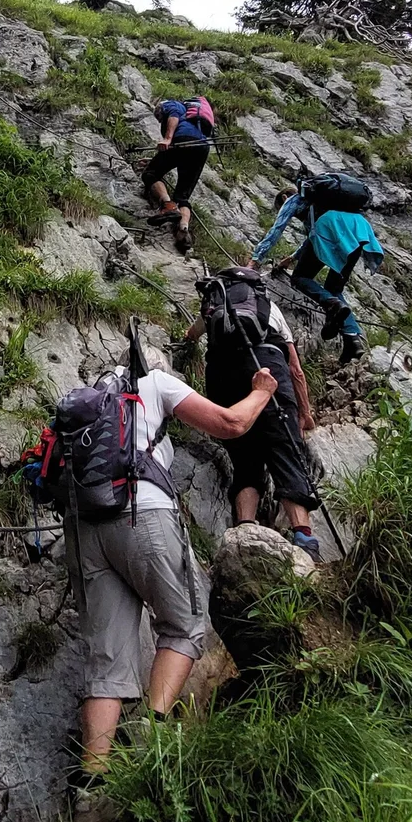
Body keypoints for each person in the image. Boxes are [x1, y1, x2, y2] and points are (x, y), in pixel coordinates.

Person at [73, 356, 280, 785]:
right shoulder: (156, 384)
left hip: (84, 529)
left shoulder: (83, 411)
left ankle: (92, 785)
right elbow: (230, 423)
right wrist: (261, 390)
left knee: (107, 656)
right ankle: (153, 737)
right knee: (185, 625)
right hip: (141, 514)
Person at [182, 275, 324, 555]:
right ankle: (305, 541)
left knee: (244, 459)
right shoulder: (268, 308)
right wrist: (305, 412)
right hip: (266, 367)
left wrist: (186, 342)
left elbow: (191, 334)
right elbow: (295, 368)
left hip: (222, 377)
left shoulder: (213, 306)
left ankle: (245, 531)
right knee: (285, 450)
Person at [251, 186, 386, 362]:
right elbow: (312, 239)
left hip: (330, 227)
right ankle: (352, 339)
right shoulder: (325, 203)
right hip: (358, 229)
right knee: (334, 288)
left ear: (284, 196)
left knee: (301, 277)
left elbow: (276, 230)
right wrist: (291, 258)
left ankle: (332, 305)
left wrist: (255, 259)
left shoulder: (294, 200)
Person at [141, 97, 211, 254]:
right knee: (182, 196)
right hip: (201, 147)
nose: (160, 121)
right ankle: (183, 230)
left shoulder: (171, 105)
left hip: (182, 141)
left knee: (150, 174)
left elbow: (173, 115)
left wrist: (167, 138)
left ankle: (168, 206)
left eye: (158, 118)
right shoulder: (194, 119)